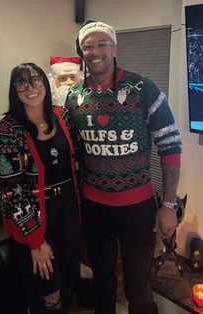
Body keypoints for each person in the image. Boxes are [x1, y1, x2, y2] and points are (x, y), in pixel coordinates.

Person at [65, 20, 183, 314]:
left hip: (138, 209)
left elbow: (171, 146)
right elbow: (70, 150)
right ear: (81, 51)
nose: (95, 51)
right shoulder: (73, 97)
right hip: (94, 210)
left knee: (138, 285)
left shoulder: (143, 88)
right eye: (87, 45)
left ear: (114, 47)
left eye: (102, 43)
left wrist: (168, 204)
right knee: (102, 282)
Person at [0, 62, 81, 314]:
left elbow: (78, 163)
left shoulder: (62, 116)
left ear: (45, 82)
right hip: (34, 216)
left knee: (67, 282)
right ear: (14, 90)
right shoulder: (6, 130)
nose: (30, 87)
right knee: (47, 295)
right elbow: (12, 190)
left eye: (36, 80)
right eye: (22, 82)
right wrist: (35, 241)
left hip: (68, 210)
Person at [48, 56, 94, 309]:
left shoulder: (86, 107)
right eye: (61, 78)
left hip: (88, 185)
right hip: (60, 192)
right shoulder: (47, 116)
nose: (66, 83)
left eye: (71, 78)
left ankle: (87, 287)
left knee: (87, 239)